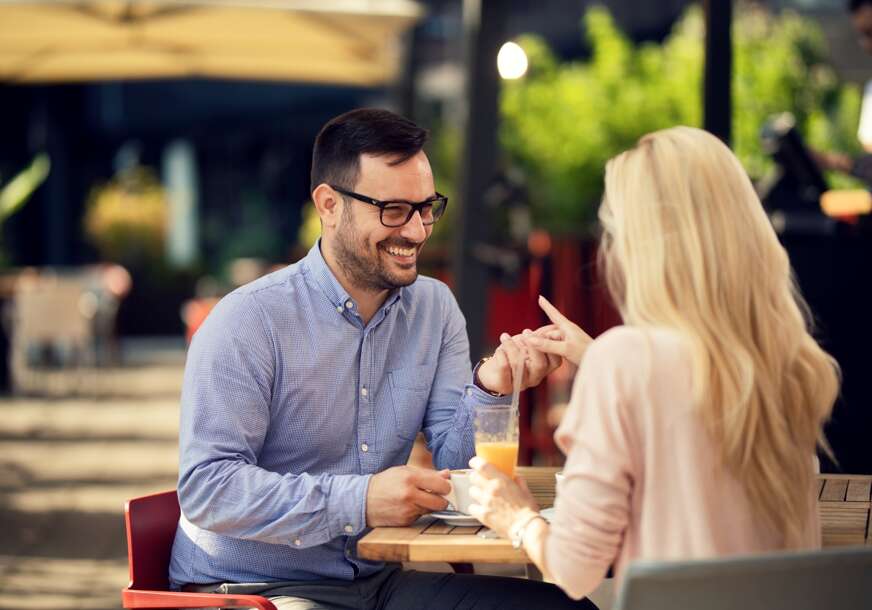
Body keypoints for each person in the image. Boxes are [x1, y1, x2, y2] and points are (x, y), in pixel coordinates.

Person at [168, 107, 594, 610]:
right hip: (252, 590)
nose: (416, 231)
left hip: (378, 583)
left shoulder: (434, 309)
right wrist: (362, 500)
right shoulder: (248, 321)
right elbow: (208, 489)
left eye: (427, 207)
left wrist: (492, 386)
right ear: (329, 205)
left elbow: (460, 468)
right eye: (393, 210)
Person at [467, 126, 840, 601]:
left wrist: (516, 515)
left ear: (644, 246)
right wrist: (600, 358)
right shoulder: (789, 360)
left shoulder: (626, 363)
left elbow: (574, 568)